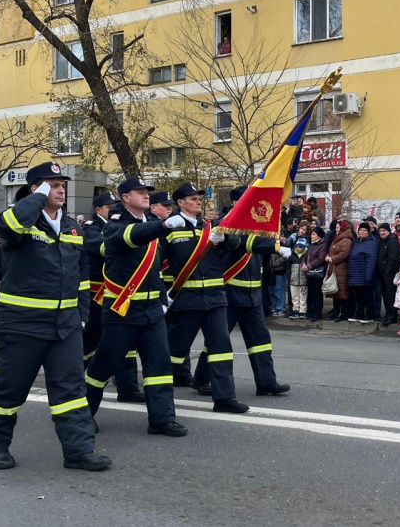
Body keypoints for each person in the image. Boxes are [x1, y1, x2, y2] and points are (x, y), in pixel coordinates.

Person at [0, 161, 110, 471]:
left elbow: (80, 276)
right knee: (9, 390)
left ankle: (79, 451)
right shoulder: (18, 222)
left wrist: (80, 315)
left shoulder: (72, 227)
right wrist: (36, 198)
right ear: (35, 189)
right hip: (22, 325)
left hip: (65, 327)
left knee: (71, 391)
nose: (61, 188)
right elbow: (9, 228)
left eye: (62, 183)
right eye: (52, 184)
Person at [85, 176, 187, 437]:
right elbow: (128, 238)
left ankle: (162, 419)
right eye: (139, 191)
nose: (145, 195)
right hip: (123, 309)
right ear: (126, 197)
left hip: (152, 309)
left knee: (159, 367)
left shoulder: (152, 223)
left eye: (147, 191)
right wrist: (163, 226)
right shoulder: (116, 223)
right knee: (103, 366)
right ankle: (81, 415)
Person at [162, 182, 256, 413]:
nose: (198, 201)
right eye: (192, 198)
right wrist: (163, 294)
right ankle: (159, 398)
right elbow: (157, 263)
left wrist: (226, 239)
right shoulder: (170, 228)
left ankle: (224, 398)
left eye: (199, 198)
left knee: (221, 349)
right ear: (180, 202)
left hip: (215, 299)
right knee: (174, 351)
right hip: (187, 299)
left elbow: (237, 245)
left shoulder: (211, 226)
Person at [192, 187, 291, 399]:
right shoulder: (225, 226)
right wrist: (275, 246)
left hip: (252, 294)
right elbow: (242, 244)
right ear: (238, 203)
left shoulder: (256, 226)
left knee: (260, 341)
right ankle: (202, 379)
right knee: (217, 341)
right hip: (229, 292)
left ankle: (266, 382)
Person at [82, 191, 145, 402]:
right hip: (97, 294)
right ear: (99, 209)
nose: (113, 210)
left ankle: (127, 388)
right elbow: (103, 249)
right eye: (109, 207)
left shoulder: (118, 225)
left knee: (125, 344)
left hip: (118, 293)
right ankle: (74, 381)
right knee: (90, 342)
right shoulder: (91, 227)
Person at [349, 222, 378, 323]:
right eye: (360, 230)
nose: (362, 232)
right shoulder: (356, 242)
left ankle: (370, 314)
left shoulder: (371, 243)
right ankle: (359, 314)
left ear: (368, 232)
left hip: (365, 274)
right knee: (358, 297)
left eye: (365, 230)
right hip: (356, 275)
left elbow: (371, 260)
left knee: (368, 296)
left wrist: (368, 275)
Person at [326, 220, 354, 321]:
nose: (336, 230)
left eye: (338, 228)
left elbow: (343, 254)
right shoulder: (336, 239)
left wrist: (331, 258)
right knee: (335, 291)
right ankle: (336, 312)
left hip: (342, 269)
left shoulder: (346, 240)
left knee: (342, 292)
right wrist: (329, 256)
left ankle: (344, 313)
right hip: (334, 269)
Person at [376, 223, 400, 325]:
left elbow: (393, 259)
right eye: (380, 231)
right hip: (381, 273)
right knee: (385, 296)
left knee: (391, 295)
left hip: (390, 274)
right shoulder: (380, 242)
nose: (382, 232)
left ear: (388, 231)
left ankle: (392, 316)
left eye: (384, 231)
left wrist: (387, 272)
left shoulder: (393, 242)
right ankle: (387, 314)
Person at [304, 227, 328, 321]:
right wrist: (303, 264)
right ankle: (311, 310)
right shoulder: (311, 245)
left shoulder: (323, 245)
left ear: (319, 235)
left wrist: (309, 266)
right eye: (311, 234)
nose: (312, 236)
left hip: (317, 273)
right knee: (311, 293)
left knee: (317, 293)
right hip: (310, 273)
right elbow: (305, 256)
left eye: (314, 234)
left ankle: (317, 312)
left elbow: (320, 259)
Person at [287, 237, 309, 319]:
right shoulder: (292, 256)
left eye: (300, 247)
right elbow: (287, 266)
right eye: (297, 246)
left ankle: (302, 311)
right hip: (293, 280)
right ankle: (295, 310)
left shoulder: (306, 255)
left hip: (303, 281)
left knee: (303, 296)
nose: (298, 248)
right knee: (294, 296)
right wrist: (289, 276)